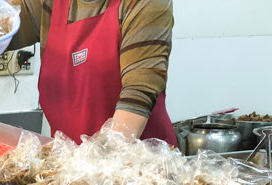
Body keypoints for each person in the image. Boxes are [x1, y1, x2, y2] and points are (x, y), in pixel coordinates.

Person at [38, 0, 176, 144]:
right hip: (70, 158)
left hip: (137, 158)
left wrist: (97, 158)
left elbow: (138, 92)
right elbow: (12, 20)